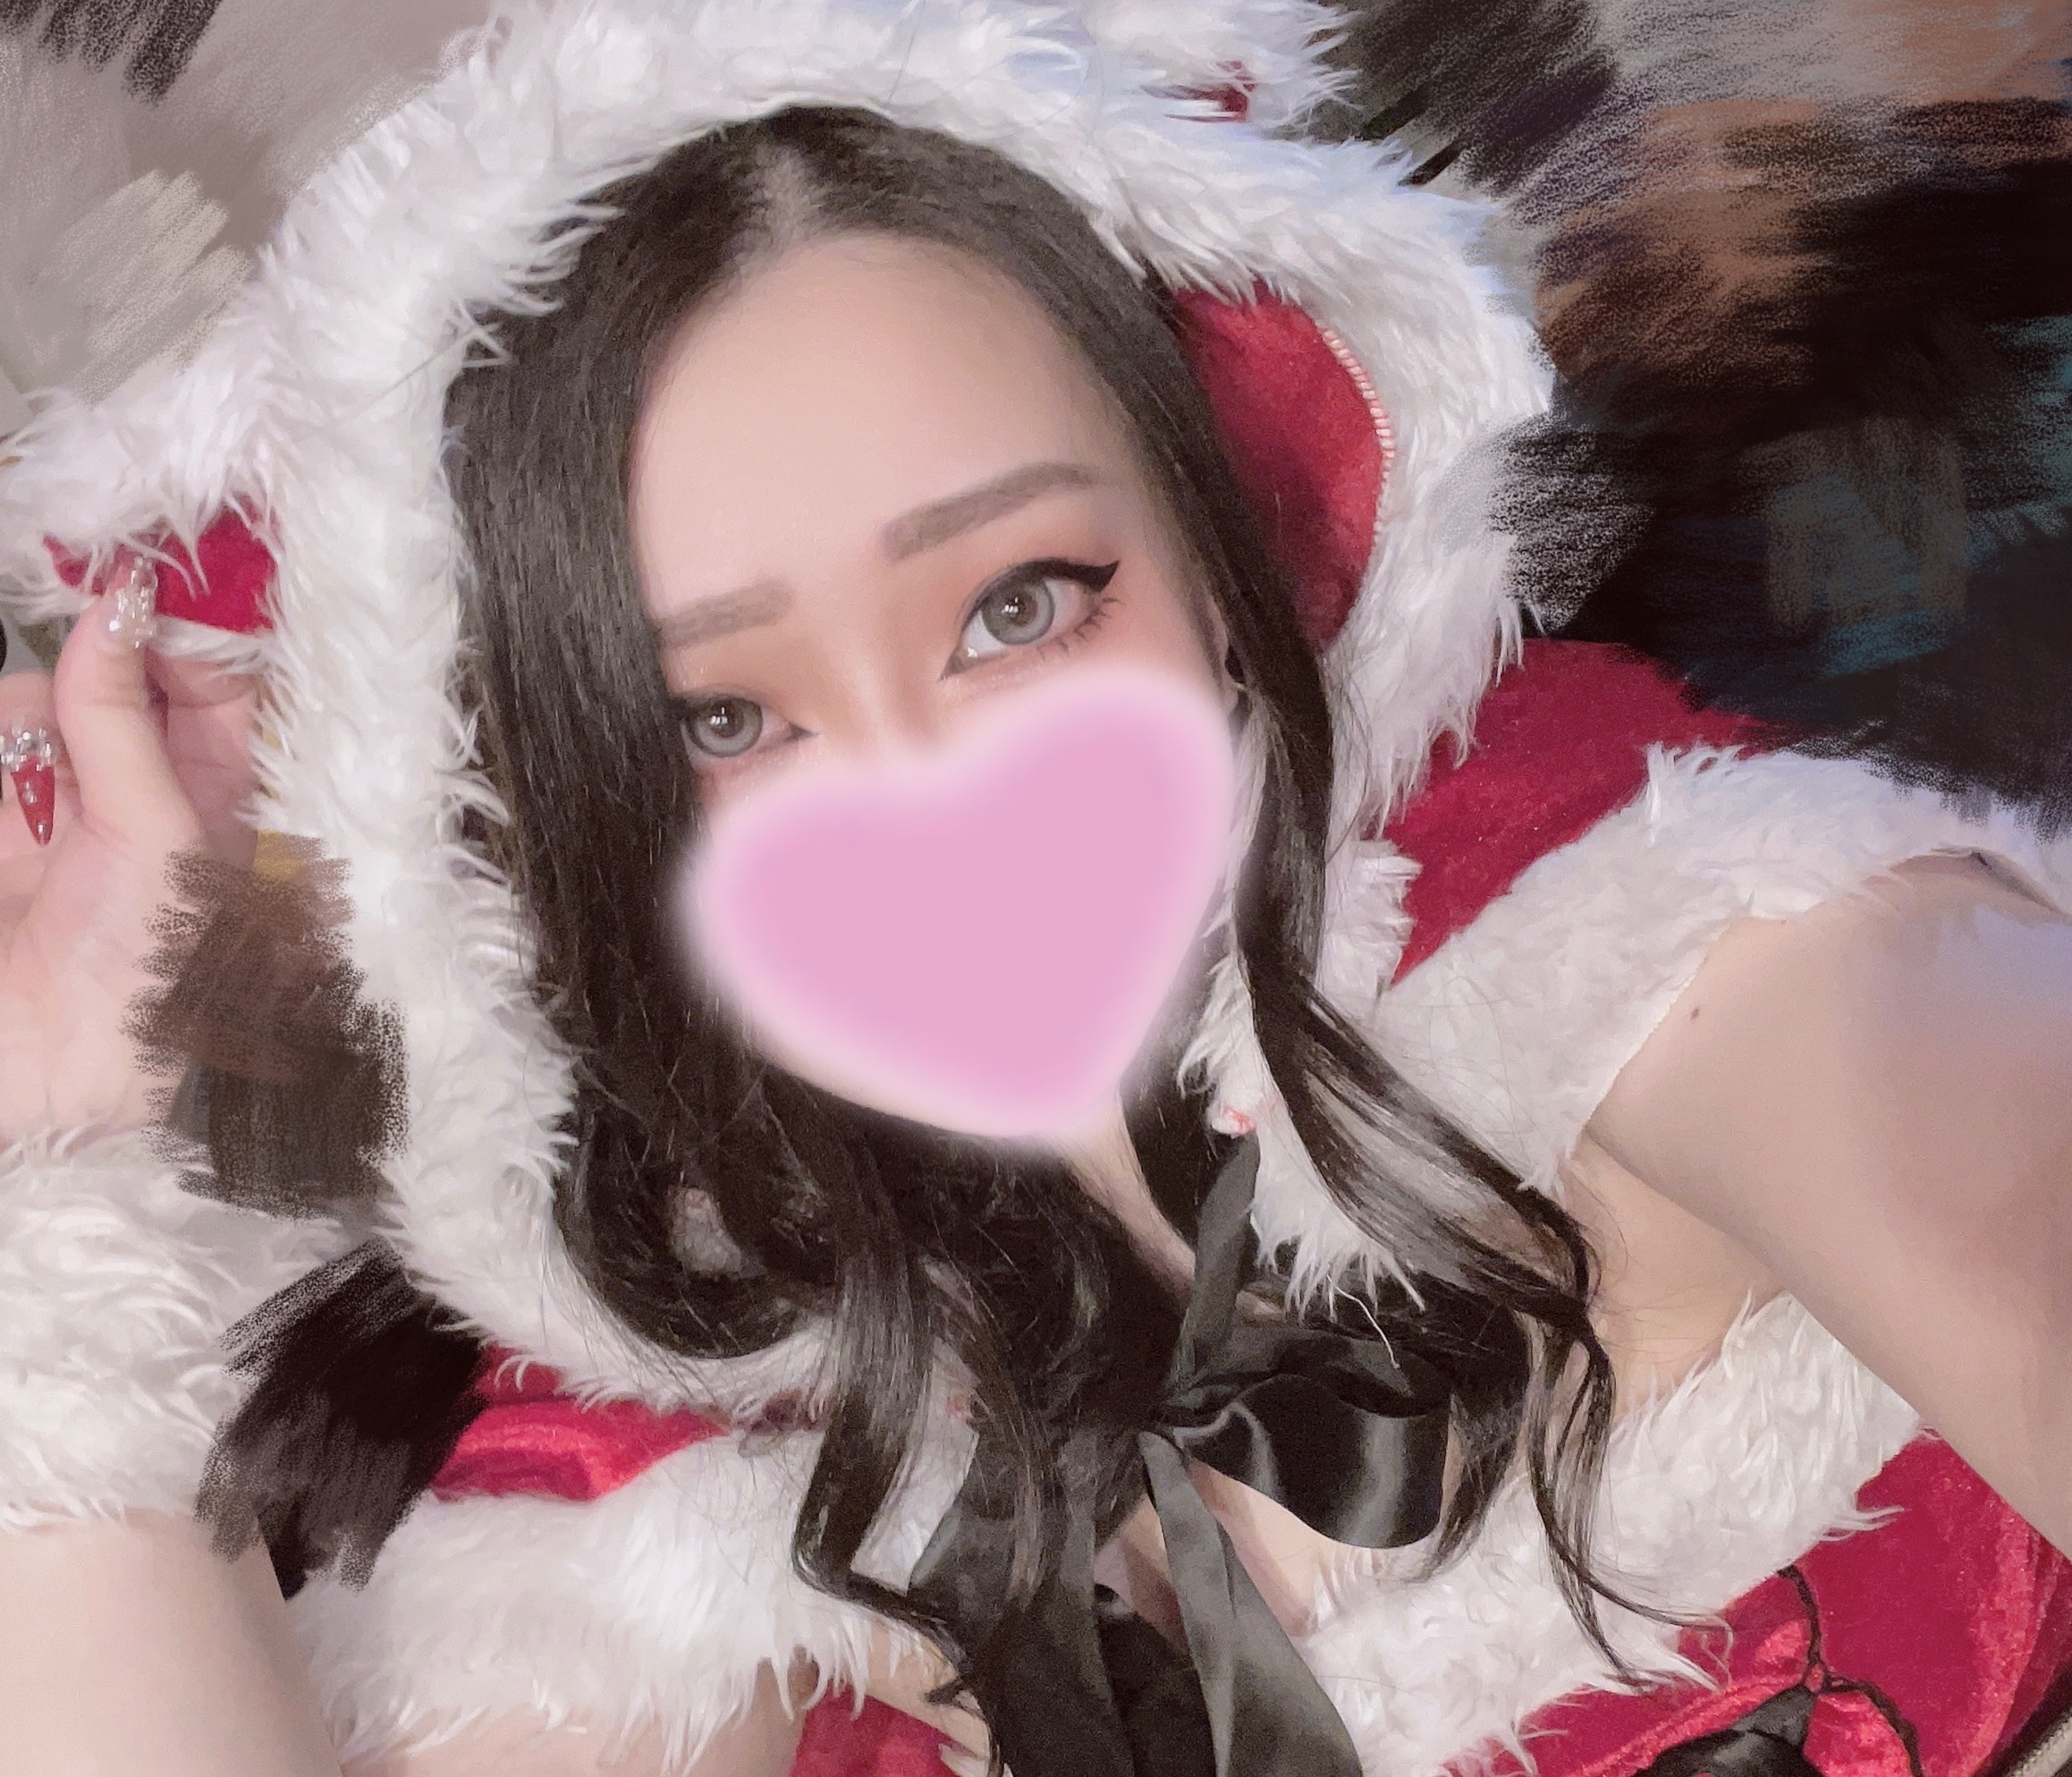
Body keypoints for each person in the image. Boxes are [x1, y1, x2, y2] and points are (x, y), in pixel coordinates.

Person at [0, 3, 2068, 1776]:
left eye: (1015, 603)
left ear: (1222, 567)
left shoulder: (1650, 947)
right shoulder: (660, 1481)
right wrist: (77, 1170)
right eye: (723, 719)